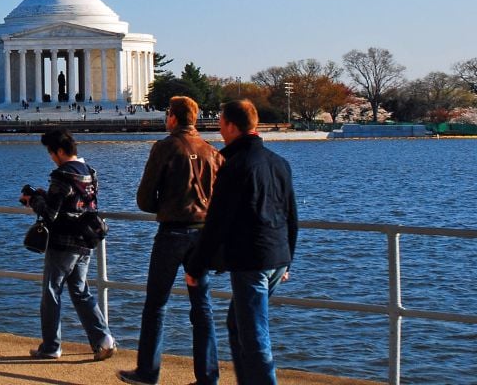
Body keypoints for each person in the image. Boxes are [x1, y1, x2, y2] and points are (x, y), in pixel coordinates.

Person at [187, 99, 298, 385]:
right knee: (238, 324)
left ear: (232, 126)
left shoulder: (234, 165)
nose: (220, 129)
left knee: (254, 334)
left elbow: (217, 221)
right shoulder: (279, 162)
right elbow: (290, 215)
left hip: (252, 258)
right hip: (278, 257)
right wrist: (289, 260)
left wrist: (197, 266)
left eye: (221, 124)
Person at [119, 96, 225, 385]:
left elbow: (144, 198)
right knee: (202, 306)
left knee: (156, 304)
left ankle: (148, 372)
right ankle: (208, 377)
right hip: (203, 236)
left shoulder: (164, 148)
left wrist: (164, 207)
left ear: (174, 118)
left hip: (172, 233)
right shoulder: (213, 152)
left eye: (168, 114)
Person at [20, 127, 117, 361]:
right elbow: (78, 203)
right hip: (85, 241)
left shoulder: (62, 175)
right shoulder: (90, 172)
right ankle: (103, 340)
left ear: (61, 151)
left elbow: (51, 214)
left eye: (52, 153)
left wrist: (33, 200)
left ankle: (52, 347)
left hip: (63, 242)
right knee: (80, 291)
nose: (51, 158)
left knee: (51, 292)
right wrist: (46, 195)